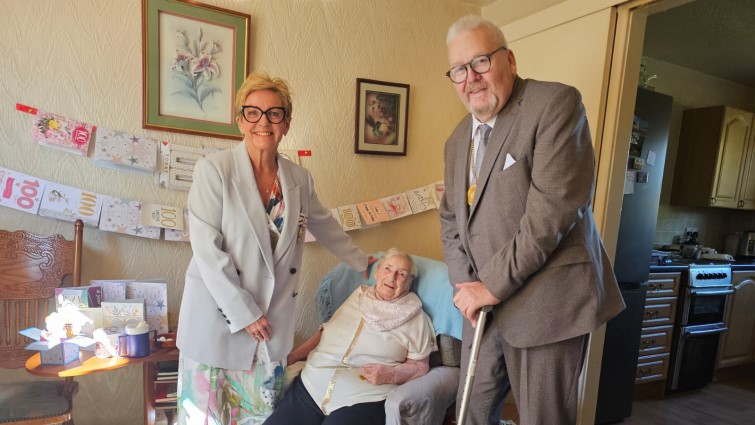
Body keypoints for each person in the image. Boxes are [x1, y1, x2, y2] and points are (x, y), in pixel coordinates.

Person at [439, 15, 625, 425]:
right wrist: (463, 285)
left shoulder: (555, 104)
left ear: (510, 60)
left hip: (548, 306)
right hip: (484, 309)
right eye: (458, 70)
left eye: (481, 62)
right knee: (471, 412)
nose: (471, 77)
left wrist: (488, 285)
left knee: (545, 418)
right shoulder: (456, 141)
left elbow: (551, 214)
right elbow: (452, 219)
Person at [176, 72, 372, 425]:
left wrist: (363, 263)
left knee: (264, 418)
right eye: (253, 112)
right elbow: (207, 250)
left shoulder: (299, 178)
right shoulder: (213, 171)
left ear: (287, 123)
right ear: (240, 120)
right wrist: (245, 312)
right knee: (207, 417)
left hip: (271, 327)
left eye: (274, 113)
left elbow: (324, 225)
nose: (263, 122)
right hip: (218, 318)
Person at [264, 248, 437, 425]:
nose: (392, 277)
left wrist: (391, 375)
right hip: (312, 383)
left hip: (363, 396)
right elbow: (325, 332)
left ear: (408, 284)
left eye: (401, 274)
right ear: (376, 272)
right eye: (387, 269)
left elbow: (420, 366)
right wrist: (292, 357)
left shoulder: (416, 318)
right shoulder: (359, 295)